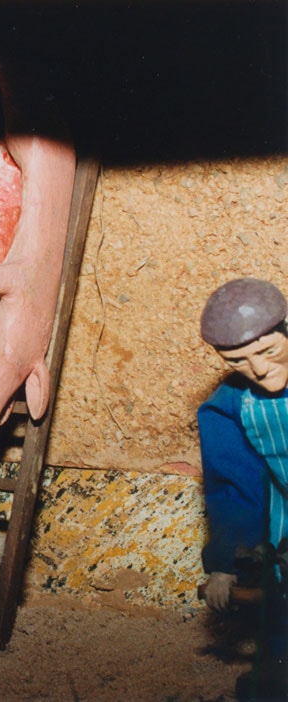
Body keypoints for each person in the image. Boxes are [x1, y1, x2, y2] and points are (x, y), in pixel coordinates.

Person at [197, 277, 288, 700]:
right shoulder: (232, 406)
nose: (260, 369)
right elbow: (234, 488)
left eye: (269, 351)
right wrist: (226, 562)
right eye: (239, 361)